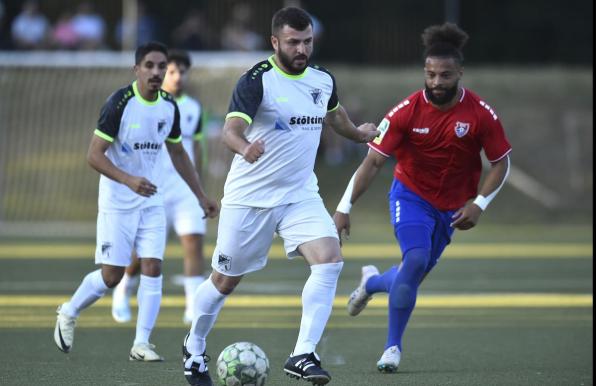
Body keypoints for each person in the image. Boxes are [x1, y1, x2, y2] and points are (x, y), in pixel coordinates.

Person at [181, 7, 379, 386]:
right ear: (275, 42)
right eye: (293, 42)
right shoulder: (257, 80)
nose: (301, 48)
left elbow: (335, 118)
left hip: (299, 195)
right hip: (249, 198)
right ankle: (194, 344)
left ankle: (303, 354)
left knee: (329, 260)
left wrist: (359, 134)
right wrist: (244, 148)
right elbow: (231, 130)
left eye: (307, 41)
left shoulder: (321, 80)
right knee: (224, 281)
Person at [333, 23, 512, 373]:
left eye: (445, 75)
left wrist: (479, 203)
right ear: (424, 72)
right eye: (430, 74)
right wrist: (343, 208)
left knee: (409, 277)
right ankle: (392, 349)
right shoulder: (405, 112)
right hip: (410, 195)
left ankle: (371, 282)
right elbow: (372, 162)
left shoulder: (480, 114)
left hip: (452, 209)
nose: (437, 82)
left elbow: (501, 164)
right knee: (414, 261)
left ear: (459, 72)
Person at [53, 41, 219, 362]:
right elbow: (94, 156)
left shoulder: (169, 106)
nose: (157, 72)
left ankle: (141, 343)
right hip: (118, 201)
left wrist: (201, 196)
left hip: (151, 200)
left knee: (152, 266)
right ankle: (69, 311)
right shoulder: (118, 103)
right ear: (137, 69)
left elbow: (178, 152)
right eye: (150, 66)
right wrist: (129, 180)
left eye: (161, 66)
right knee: (111, 276)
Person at [112, 49, 209, 325]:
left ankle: (193, 307)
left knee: (193, 243)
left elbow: (195, 148)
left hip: (184, 190)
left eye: (183, 72)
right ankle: (123, 289)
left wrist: (198, 187)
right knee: (145, 252)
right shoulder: (149, 105)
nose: (177, 77)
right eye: (172, 71)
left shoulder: (194, 108)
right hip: (154, 187)